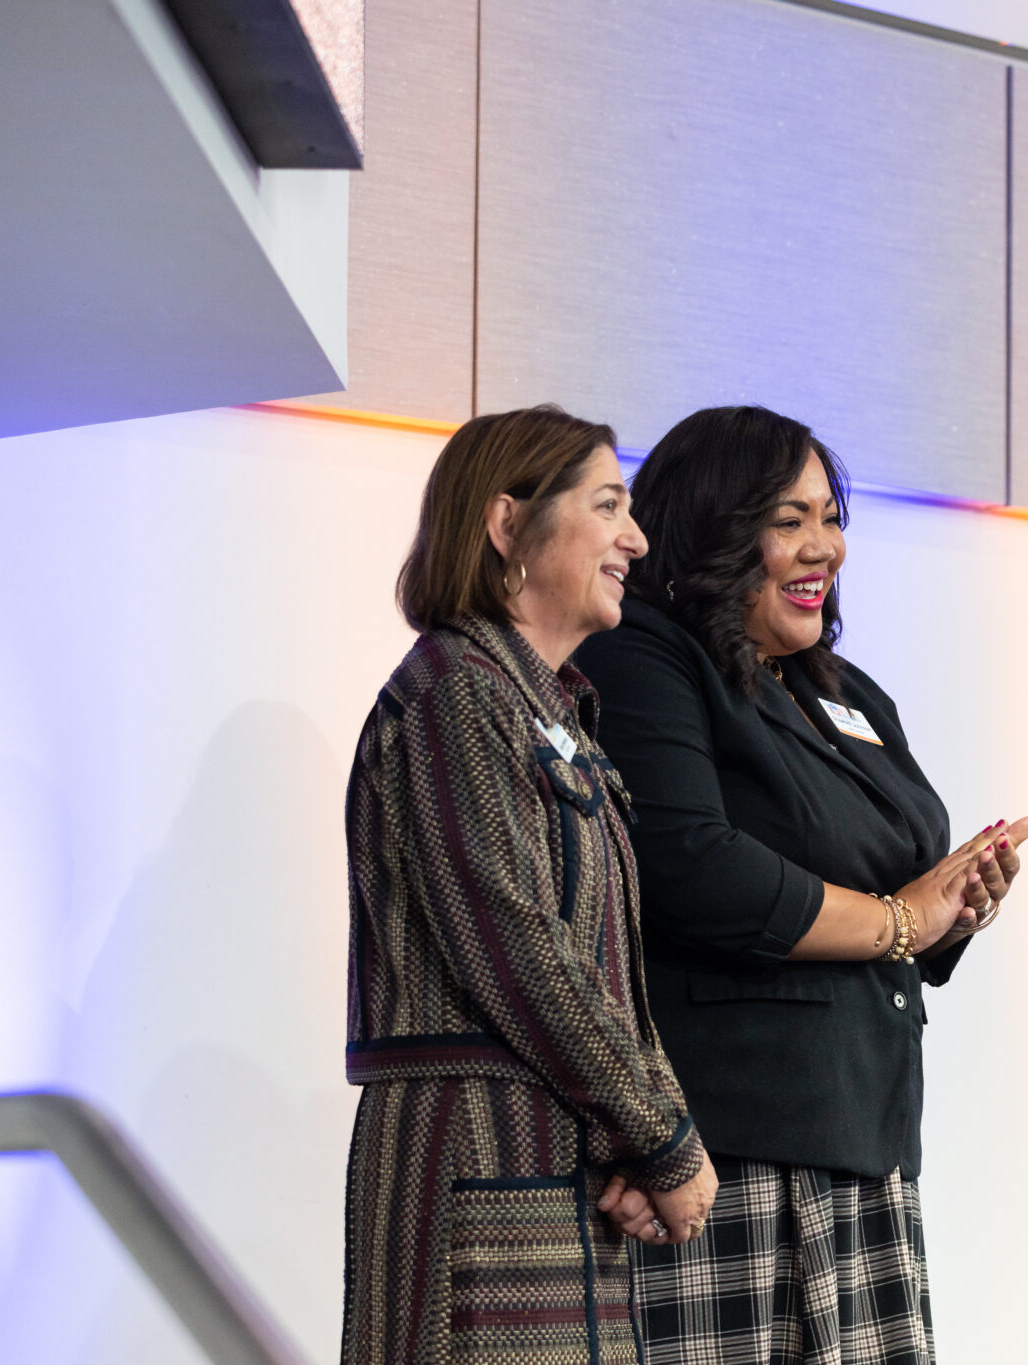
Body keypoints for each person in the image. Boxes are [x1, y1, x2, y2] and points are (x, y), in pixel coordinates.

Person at [573, 404, 1028, 1365]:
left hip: (866, 1140)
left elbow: (906, 879)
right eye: (789, 521)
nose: (823, 547)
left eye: (830, 518)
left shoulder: (844, 691)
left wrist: (954, 906)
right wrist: (900, 918)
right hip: (727, 1153)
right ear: (712, 529)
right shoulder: (646, 654)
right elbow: (693, 867)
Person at [341, 404, 719, 1365]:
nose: (636, 539)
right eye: (607, 505)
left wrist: (647, 1137)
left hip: (556, 1163)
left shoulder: (551, 709)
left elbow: (608, 976)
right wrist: (664, 1137)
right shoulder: (455, 693)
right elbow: (517, 949)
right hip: (475, 1157)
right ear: (508, 523)